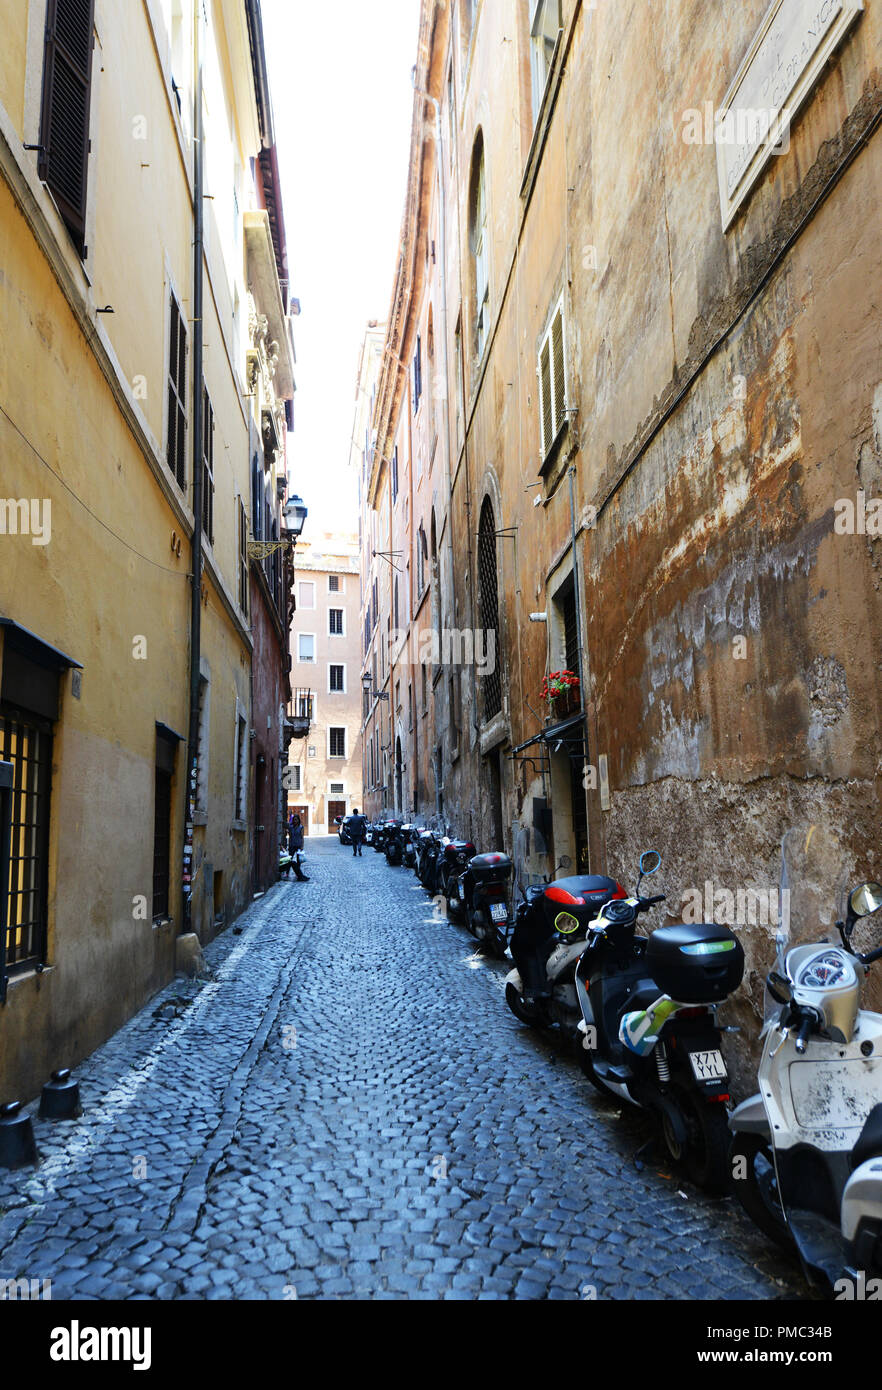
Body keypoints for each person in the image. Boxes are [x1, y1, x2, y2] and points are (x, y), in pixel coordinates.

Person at [289, 813, 309, 881]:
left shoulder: (301, 827)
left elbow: (302, 837)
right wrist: (289, 844)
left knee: (298, 861)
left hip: (298, 845)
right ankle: (287, 873)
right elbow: (290, 836)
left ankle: (298, 874)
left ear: (298, 820)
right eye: (294, 820)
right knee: (289, 859)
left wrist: (302, 846)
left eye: (296, 819)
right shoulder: (291, 827)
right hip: (292, 845)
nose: (295, 821)